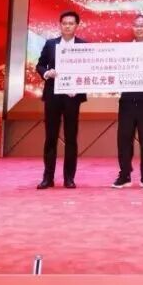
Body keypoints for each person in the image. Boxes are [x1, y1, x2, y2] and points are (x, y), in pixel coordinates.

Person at [36, 10, 86, 189]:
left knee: (71, 138)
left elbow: (88, 71)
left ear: (76, 26)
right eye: (64, 23)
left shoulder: (84, 46)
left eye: (71, 23)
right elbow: (40, 65)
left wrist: (77, 87)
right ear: (60, 25)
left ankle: (69, 178)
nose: (67, 26)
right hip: (53, 96)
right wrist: (46, 73)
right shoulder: (51, 44)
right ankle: (48, 177)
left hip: (73, 97)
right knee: (51, 137)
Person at [113, 14, 143, 189]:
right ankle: (124, 175)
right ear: (133, 28)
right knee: (124, 140)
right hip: (127, 101)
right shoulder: (124, 50)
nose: (139, 28)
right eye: (136, 25)